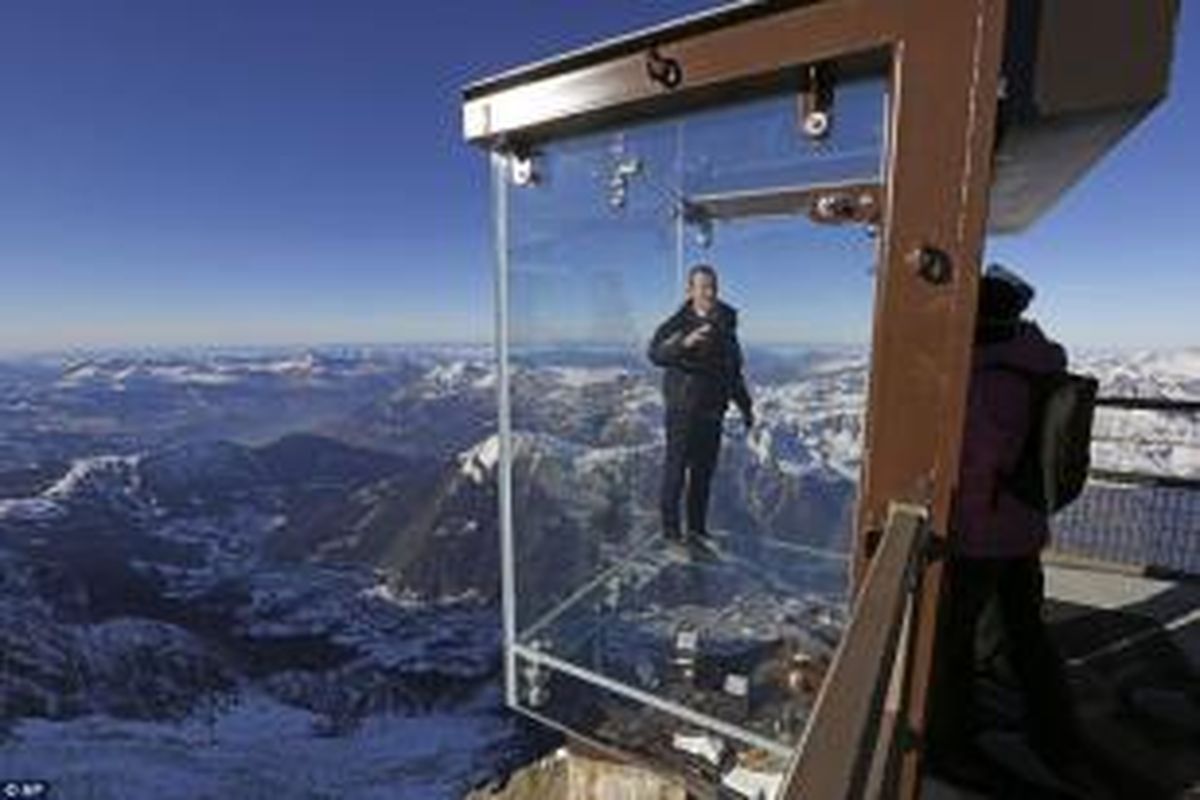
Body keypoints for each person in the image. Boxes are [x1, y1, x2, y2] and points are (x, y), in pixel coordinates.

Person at [927, 263, 1084, 786]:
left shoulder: (988, 376)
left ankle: (951, 743)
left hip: (980, 534)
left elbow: (975, 466)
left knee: (951, 641)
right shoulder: (1039, 358)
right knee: (1025, 631)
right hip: (1025, 524)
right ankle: (1056, 732)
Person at [647, 264, 754, 550]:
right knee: (676, 471)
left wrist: (745, 406)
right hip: (682, 411)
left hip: (712, 412)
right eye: (703, 286)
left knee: (703, 475)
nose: (709, 292)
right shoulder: (677, 323)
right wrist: (684, 343)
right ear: (690, 290)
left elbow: (733, 371)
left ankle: (696, 530)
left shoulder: (726, 326)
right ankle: (671, 533)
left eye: (712, 286)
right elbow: (655, 354)